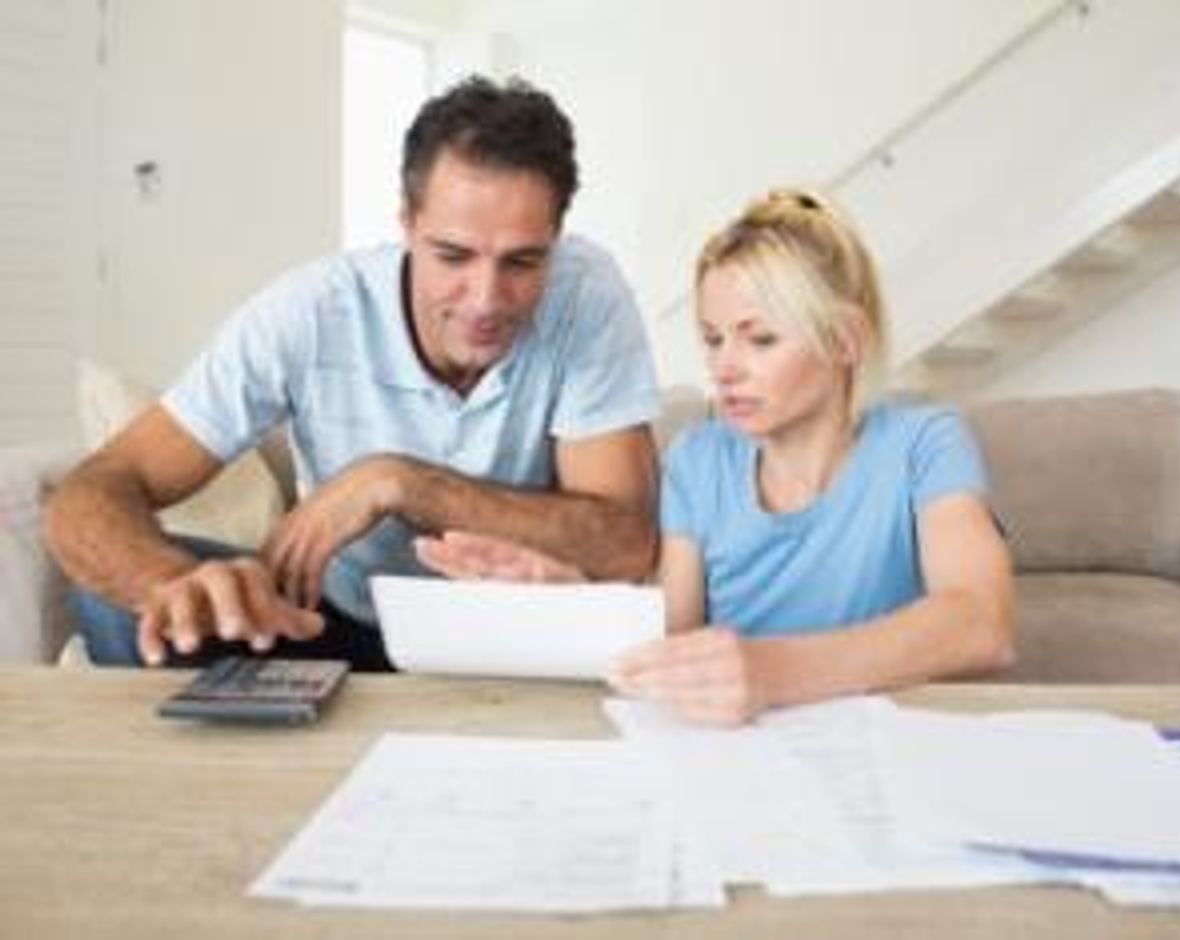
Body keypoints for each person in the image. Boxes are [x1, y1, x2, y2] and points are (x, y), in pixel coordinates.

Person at [43, 75, 660, 671]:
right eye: (453, 256)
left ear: (556, 238)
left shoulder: (586, 295)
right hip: (331, 630)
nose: (485, 300)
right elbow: (93, 491)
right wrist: (169, 585)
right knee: (115, 597)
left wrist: (403, 483)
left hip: (512, 639)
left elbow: (627, 544)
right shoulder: (310, 312)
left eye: (523, 261)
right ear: (407, 226)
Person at [417, 188, 1016, 724]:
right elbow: (668, 635)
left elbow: (980, 623)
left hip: (888, 755)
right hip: (740, 756)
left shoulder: (925, 445)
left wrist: (774, 675)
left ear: (844, 340)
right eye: (713, 338)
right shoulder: (697, 461)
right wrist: (570, 595)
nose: (724, 368)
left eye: (760, 339)